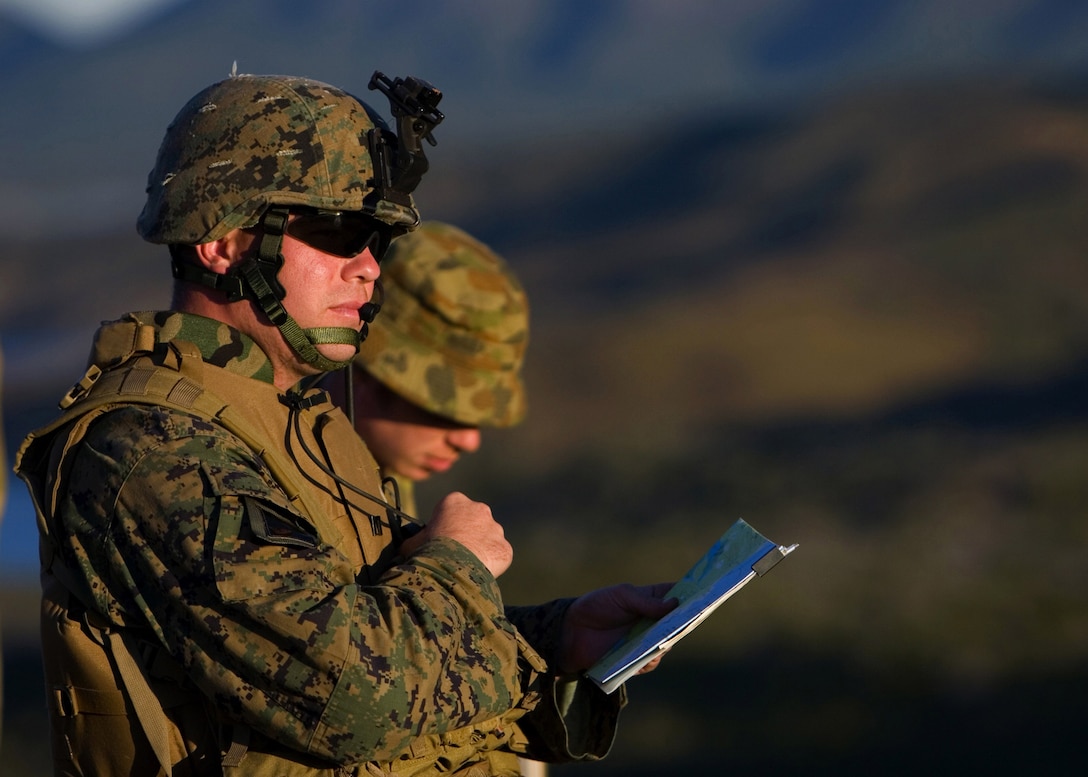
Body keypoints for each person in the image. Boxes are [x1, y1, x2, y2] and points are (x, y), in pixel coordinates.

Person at [14, 71, 674, 776]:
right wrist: (459, 564)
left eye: (378, 241)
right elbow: (356, 700)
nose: (367, 270)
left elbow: (365, 633)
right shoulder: (148, 449)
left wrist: (554, 643)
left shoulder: (294, 422)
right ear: (225, 243)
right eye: (338, 231)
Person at [324, 220, 528, 518]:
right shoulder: (267, 472)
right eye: (444, 409)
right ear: (365, 375)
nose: (469, 441)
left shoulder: (381, 470)